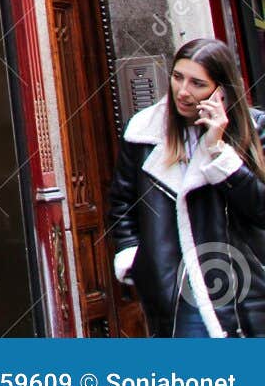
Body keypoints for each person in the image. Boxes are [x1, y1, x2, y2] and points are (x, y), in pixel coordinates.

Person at [107, 37, 265, 337]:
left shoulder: (256, 130)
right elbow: (122, 204)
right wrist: (135, 261)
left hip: (247, 287)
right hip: (177, 292)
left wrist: (218, 151)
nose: (183, 91)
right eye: (178, 77)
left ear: (221, 90)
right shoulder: (145, 132)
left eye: (197, 83)